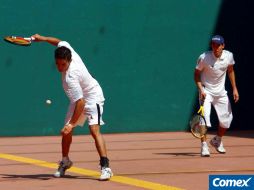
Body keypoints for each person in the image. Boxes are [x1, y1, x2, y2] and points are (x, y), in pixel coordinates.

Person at [31, 34, 113, 180]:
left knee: (94, 129)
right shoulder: (67, 49)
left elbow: (81, 102)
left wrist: (72, 124)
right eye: (57, 64)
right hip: (78, 99)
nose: (59, 67)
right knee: (66, 132)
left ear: (69, 60)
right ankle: (65, 161)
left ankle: (106, 167)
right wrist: (42, 38)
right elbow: (58, 42)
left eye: (63, 64)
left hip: (93, 95)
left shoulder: (71, 78)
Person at [194, 35, 239, 157]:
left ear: (223, 46)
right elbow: (196, 74)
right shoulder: (204, 57)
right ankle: (204, 146)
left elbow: (230, 70)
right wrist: (201, 89)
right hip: (206, 92)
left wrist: (234, 88)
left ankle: (217, 140)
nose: (215, 47)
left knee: (226, 122)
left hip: (221, 93)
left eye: (218, 45)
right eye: (213, 44)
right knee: (204, 119)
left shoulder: (229, 56)